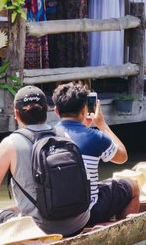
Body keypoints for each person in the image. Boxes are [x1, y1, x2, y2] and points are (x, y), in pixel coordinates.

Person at [0, 86, 90, 237]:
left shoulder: (10, 143)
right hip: (79, 222)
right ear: (46, 109)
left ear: (16, 114)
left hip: (39, 229)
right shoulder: (64, 135)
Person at [51, 82, 140, 224]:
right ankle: (122, 232)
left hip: (55, 212)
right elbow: (122, 156)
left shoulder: (44, 138)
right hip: (89, 213)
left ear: (56, 110)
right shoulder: (95, 136)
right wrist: (102, 125)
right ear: (84, 109)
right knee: (133, 187)